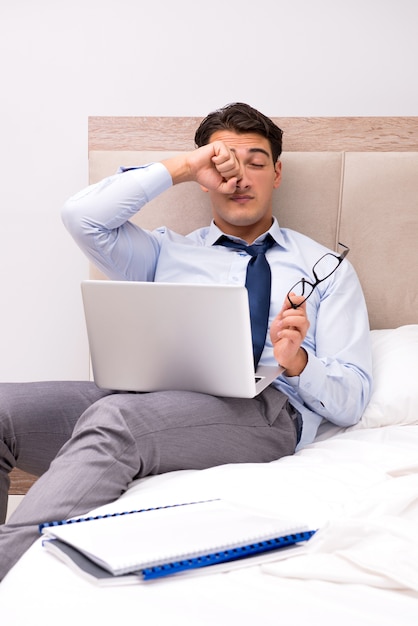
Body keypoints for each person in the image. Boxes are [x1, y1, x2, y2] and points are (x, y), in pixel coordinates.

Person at [0, 102, 372, 581]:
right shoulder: (162, 252)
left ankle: (9, 571)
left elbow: (353, 399)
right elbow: (82, 216)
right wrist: (184, 166)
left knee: (119, 419)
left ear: (277, 173)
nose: (241, 177)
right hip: (153, 398)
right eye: (223, 163)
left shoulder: (327, 269)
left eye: (256, 163)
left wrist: (297, 361)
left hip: (268, 411)